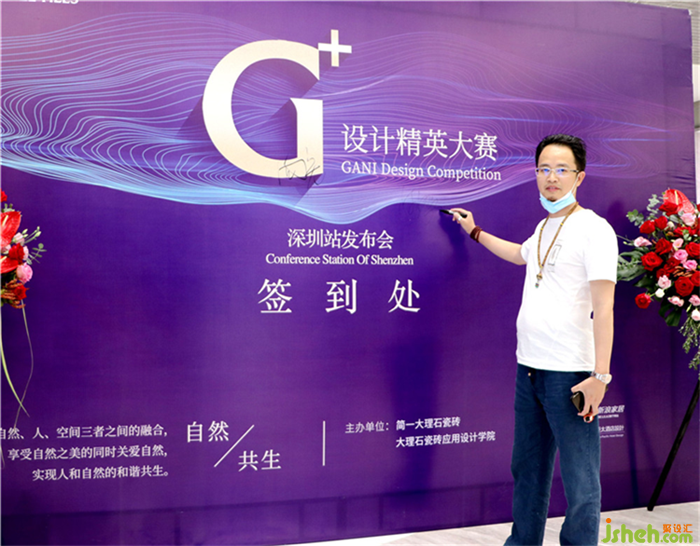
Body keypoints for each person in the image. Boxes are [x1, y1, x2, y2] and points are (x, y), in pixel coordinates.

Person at [448, 134, 617, 546]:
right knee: (528, 470)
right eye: (544, 169)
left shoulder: (595, 229)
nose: (551, 177)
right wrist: (475, 231)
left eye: (561, 169)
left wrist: (600, 376)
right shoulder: (544, 226)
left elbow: (605, 307)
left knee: (580, 481)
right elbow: (519, 255)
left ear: (579, 176)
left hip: (570, 374)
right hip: (529, 369)